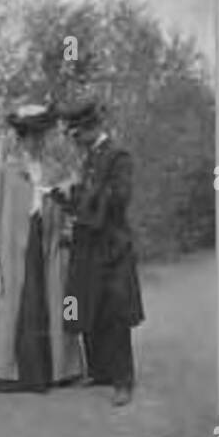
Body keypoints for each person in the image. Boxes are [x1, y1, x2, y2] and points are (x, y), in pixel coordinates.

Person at [0, 103, 71, 392]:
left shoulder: (55, 169)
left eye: (39, 135)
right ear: (20, 138)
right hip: (13, 246)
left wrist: (65, 229)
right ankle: (12, 370)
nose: (34, 140)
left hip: (47, 242)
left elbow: (66, 207)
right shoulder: (7, 170)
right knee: (16, 303)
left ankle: (52, 369)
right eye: (28, 135)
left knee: (49, 301)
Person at [59, 100, 144, 405]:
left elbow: (120, 197)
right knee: (88, 306)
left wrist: (82, 194)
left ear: (89, 128)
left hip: (112, 243)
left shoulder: (117, 156)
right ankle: (100, 371)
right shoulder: (89, 159)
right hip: (89, 243)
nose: (74, 140)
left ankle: (123, 380)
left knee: (116, 311)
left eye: (76, 133)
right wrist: (66, 197)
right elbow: (86, 202)